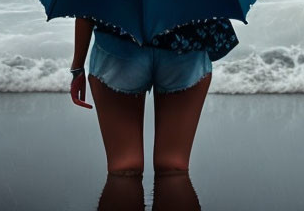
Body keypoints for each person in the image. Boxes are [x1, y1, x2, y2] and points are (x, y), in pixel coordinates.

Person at [69, 16, 238, 178]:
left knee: (124, 166)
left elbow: (88, 3)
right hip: (185, 40)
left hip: (120, 40)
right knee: (173, 166)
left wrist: (77, 67)